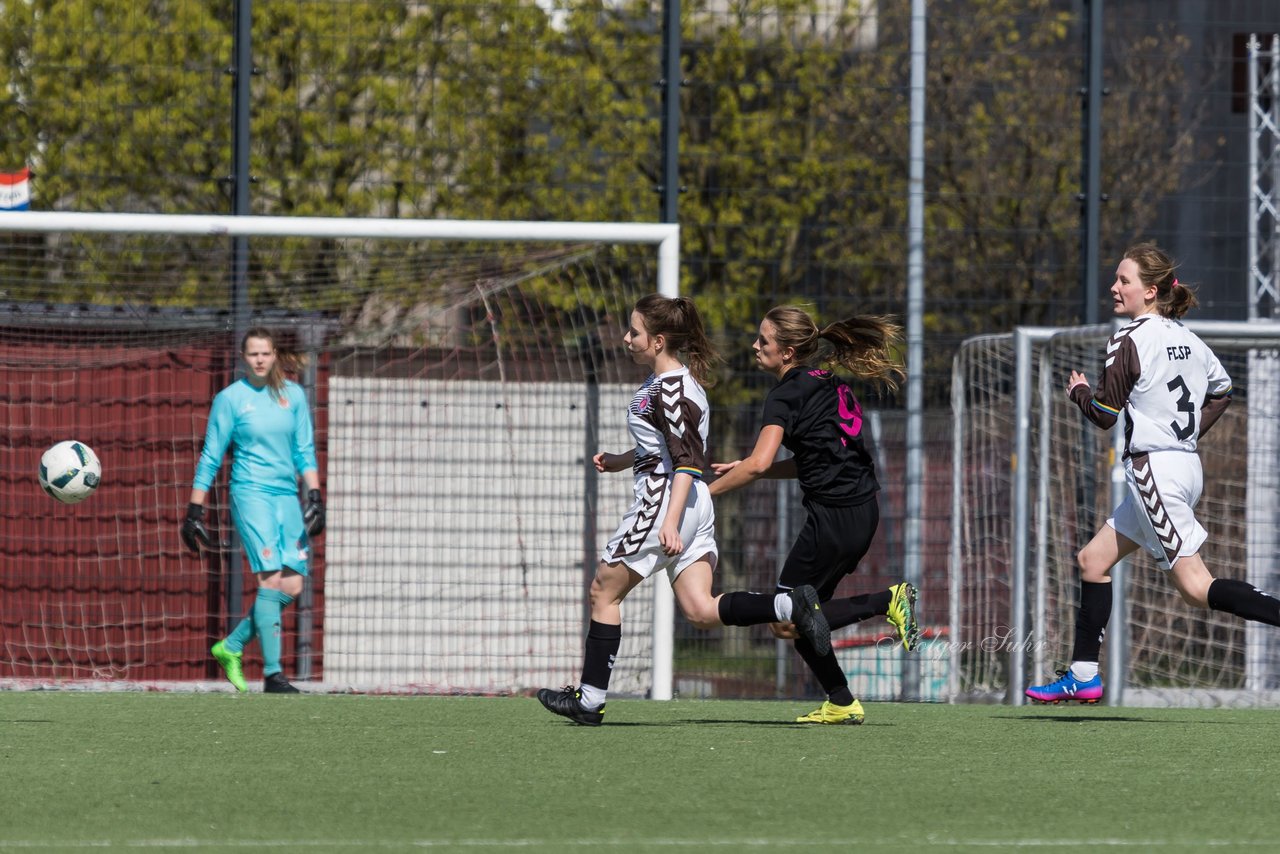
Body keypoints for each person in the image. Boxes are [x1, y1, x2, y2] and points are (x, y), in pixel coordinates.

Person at [537, 295, 831, 726]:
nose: (626, 338)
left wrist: (670, 521)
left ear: (657, 341)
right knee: (699, 609)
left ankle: (590, 699)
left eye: (634, 332)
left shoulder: (673, 389)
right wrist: (621, 459)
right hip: (690, 502)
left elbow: (688, 459)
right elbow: (663, 447)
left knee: (604, 590)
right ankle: (788, 608)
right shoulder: (664, 384)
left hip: (667, 502)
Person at [1026, 242, 1280, 704]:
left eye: (1124, 280)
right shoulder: (1189, 339)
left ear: (1151, 291)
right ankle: (1083, 675)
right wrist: (1184, 433)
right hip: (1183, 466)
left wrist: (1079, 391)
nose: (1115, 287)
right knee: (1092, 561)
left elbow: (1104, 413)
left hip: (1153, 470)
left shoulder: (1129, 338)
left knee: (1195, 588)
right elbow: (1222, 390)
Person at [709, 305, 919, 725]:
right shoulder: (828, 382)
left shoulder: (784, 394)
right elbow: (814, 459)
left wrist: (701, 494)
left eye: (763, 340)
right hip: (863, 512)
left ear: (787, 352)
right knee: (801, 618)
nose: (755, 346)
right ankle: (841, 701)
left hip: (832, 522)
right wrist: (750, 466)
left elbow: (761, 463)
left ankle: (886, 599)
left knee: (788, 616)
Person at [181, 326, 325, 695]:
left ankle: (230, 646)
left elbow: (304, 450)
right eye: (252, 354)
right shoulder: (230, 399)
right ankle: (274, 676)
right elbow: (211, 455)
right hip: (251, 493)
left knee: (292, 584)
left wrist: (315, 495)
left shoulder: (293, 396)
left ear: (275, 355)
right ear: (243, 358)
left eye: (265, 353)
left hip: (285, 496)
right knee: (270, 579)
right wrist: (194, 510)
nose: (259, 360)